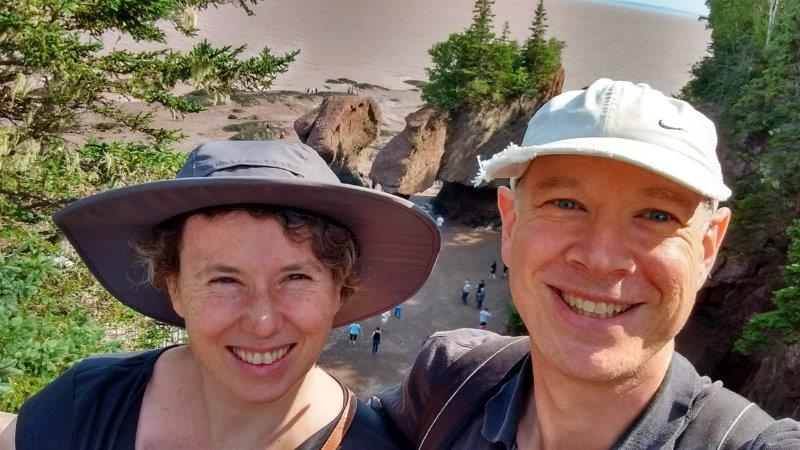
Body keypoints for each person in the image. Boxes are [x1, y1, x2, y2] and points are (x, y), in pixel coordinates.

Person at [377, 79, 800, 448]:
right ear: (510, 225)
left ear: (707, 249)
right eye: (565, 204)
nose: (601, 260)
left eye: (657, 215)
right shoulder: (449, 380)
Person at [1, 141, 441, 449]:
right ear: (173, 288)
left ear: (338, 290)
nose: (262, 321)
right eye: (224, 281)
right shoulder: (88, 404)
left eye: (296, 279)